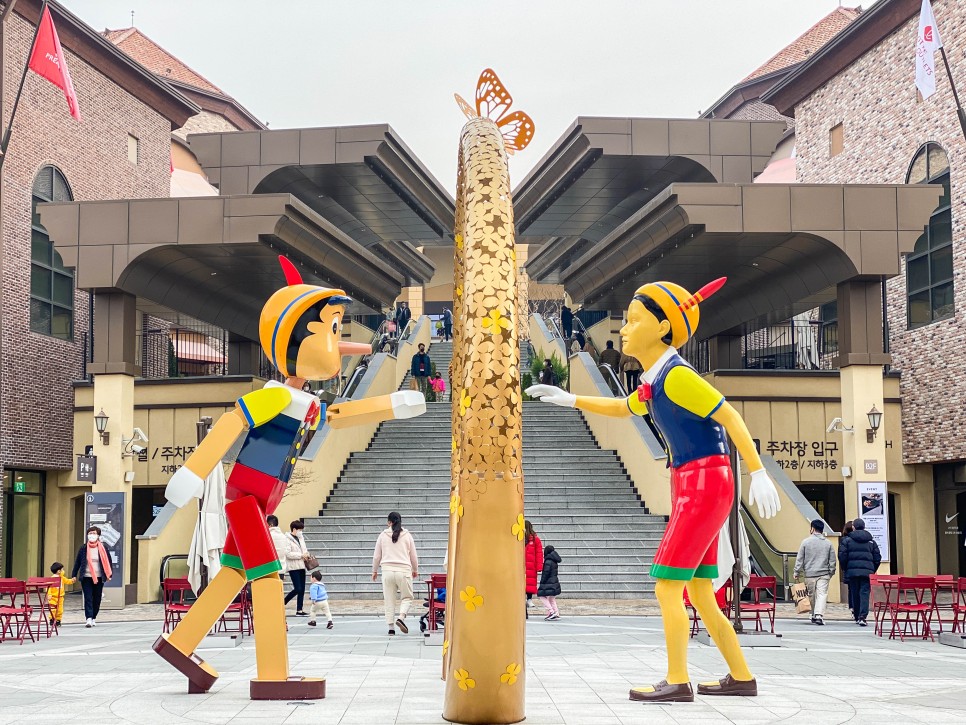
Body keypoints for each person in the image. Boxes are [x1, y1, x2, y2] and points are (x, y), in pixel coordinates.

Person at [527, 276, 782, 702]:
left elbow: (731, 417)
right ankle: (741, 676)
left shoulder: (678, 377)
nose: (623, 328)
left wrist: (758, 471)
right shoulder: (656, 379)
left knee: (667, 585)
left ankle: (678, 680)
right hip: (695, 482)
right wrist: (568, 399)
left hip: (702, 483)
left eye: (632, 319)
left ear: (663, 328)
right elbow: (621, 407)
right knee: (700, 591)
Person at [372, 511, 418, 636]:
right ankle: (401, 618)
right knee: (407, 597)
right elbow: (413, 556)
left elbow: (377, 556)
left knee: (389, 599)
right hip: (404, 571)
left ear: (389, 522)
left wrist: (374, 570)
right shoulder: (407, 535)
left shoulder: (382, 535)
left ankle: (391, 627)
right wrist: (415, 569)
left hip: (387, 571)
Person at [838, 517, 881, 627]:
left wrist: (845, 568)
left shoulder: (846, 540)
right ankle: (863, 616)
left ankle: (857, 616)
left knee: (855, 593)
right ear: (864, 527)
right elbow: (877, 558)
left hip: (852, 571)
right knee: (864, 593)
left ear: (853, 527)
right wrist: (872, 569)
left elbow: (842, 556)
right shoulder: (871, 541)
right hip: (867, 572)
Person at [793, 519, 836, 625]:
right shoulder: (828, 543)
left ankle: (812, 614)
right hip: (824, 573)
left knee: (811, 594)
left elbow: (800, 559)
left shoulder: (805, 542)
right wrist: (831, 572)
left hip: (810, 573)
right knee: (822, 594)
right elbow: (832, 560)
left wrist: (796, 572)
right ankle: (819, 615)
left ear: (812, 529)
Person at [71, 525, 113, 628]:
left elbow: (108, 562)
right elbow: (78, 562)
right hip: (86, 577)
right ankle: (88, 618)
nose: (91, 535)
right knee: (88, 597)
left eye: (94, 533)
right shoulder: (84, 548)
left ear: (98, 535)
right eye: (90, 533)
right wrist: (74, 574)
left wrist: (109, 574)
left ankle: (94, 617)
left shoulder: (103, 548)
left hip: (99, 577)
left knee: (97, 598)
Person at [285, 520, 311, 615]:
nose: (301, 532)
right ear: (294, 529)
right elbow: (288, 554)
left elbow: (304, 549)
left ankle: (299, 610)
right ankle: (283, 602)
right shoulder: (287, 539)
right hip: (293, 567)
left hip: (302, 565)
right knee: (298, 588)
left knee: (302, 589)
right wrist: (301, 555)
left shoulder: (301, 538)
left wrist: (306, 554)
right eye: (300, 530)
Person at [537, 544, 562, 620]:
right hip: (554, 582)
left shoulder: (548, 561)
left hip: (548, 582)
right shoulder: (554, 560)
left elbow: (545, 573)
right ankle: (556, 613)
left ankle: (551, 611)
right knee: (551, 599)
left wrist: (542, 582)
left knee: (541, 596)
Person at [48, 561, 75, 627]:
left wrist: (72, 580)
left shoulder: (62, 578)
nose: (63, 571)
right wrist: (49, 594)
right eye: (62, 569)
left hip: (60, 597)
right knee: (53, 609)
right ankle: (52, 619)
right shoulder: (51, 579)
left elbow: (67, 581)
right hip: (53, 597)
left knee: (60, 609)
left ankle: (58, 620)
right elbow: (49, 588)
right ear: (58, 571)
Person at [524, 521, 543, 610]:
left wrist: (539, 566)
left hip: (531, 565)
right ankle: (525, 599)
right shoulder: (519, 538)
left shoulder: (535, 539)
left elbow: (539, 553)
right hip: (522, 566)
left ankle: (529, 599)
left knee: (530, 583)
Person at [839, 520, 855, 617]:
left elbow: (842, 556)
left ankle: (853, 608)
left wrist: (844, 568)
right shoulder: (866, 539)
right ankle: (860, 611)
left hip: (850, 569)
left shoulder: (844, 540)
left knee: (851, 589)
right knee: (861, 590)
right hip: (864, 571)